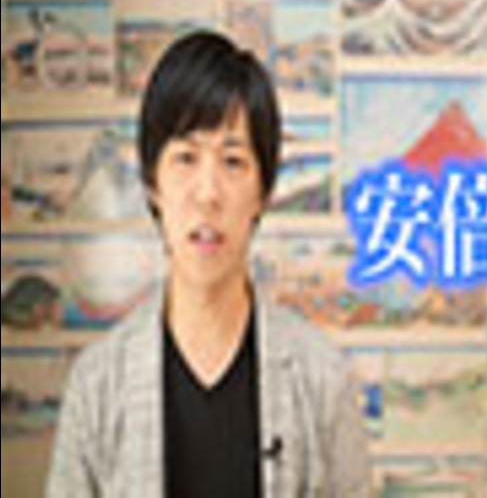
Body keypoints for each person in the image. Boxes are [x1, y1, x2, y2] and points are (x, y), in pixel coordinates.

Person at [46, 31, 371, 498]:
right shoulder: (97, 384)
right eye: (185, 158)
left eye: (233, 161)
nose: (207, 192)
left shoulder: (323, 379)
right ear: (153, 183)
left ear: (263, 192)